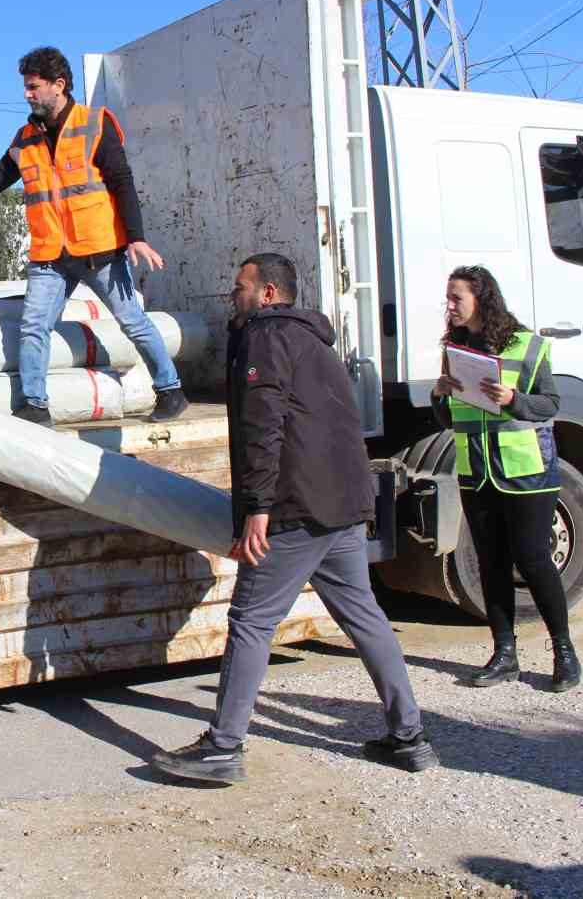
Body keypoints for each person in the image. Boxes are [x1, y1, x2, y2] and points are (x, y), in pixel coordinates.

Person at [151, 253, 438, 783]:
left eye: (240, 286)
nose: (232, 295)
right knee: (365, 617)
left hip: (295, 508)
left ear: (267, 293)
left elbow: (262, 427)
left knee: (251, 621)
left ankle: (223, 747)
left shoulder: (265, 338)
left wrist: (258, 508)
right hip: (343, 505)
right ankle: (409, 737)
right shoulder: (314, 340)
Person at [0, 46, 188, 425]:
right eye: (25, 87)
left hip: (100, 249)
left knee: (132, 321)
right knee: (34, 326)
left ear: (58, 85)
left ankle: (171, 390)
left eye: (33, 87)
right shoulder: (26, 137)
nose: (26, 94)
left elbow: (122, 182)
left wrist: (136, 237)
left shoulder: (95, 124)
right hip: (50, 255)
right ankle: (35, 405)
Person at [434, 265, 581, 693]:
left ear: (481, 298)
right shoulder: (454, 348)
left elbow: (550, 404)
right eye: (449, 298)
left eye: (457, 297)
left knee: (534, 560)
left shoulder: (527, 345)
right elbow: (449, 419)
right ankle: (504, 654)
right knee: (491, 563)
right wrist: (439, 395)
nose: (450, 306)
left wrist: (514, 400)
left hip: (526, 471)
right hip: (477, 472)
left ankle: (564, 652)